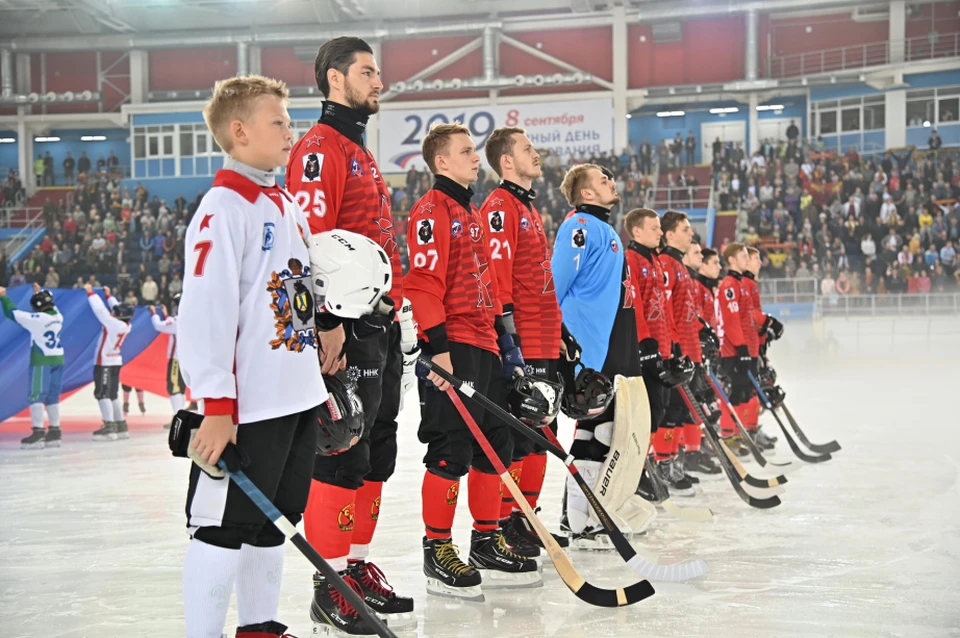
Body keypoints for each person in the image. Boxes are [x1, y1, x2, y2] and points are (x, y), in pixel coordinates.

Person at [177, 75, 327, 638]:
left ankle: (260, 628)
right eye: (279, 122)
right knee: (220, 526)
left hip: (295, 396)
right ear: (239, 132)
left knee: (274, 523)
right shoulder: (223, 207)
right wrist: (216, 404)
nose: (292, 131)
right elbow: (206, 310)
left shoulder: (284, 201)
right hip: (246, 408)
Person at [283, 36, 415, 632]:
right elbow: (312, 242)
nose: (378, 81)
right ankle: (329, 584)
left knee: (376, 450)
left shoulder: (357, 149)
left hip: (379, 320)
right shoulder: (318, 149)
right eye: (367, 72)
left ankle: (357, 568)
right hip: (344, 326)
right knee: (340, 447)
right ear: (335, 79)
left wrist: (400, 310)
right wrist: (327, 323)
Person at [406, 122, 539, 602]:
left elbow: (493, 285)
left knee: (495, 445)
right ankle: (437, 548)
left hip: (485, 342)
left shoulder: (473, 212)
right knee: (451, 447)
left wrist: (507, 343)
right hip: (454, 344)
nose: (473, 159)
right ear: (441, 162)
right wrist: (436, 348)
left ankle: (486, 539)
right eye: (465, 152)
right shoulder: (431, 210)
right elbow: (422, 283)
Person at [479, 126, 579, 554]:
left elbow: (538, 280)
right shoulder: (500, 206)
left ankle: (525, 519)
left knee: (542, 430)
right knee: (519, 435)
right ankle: (500, 525)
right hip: (522, 341)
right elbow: (499, 276)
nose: (536, 155)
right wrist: (509, 336)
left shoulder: (526, 206)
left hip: (542, 338)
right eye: (527, 149)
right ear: (506, 161)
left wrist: (557, 330)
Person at [552, 165, 642, 535]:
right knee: (599, 431)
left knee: (599, 432)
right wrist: (556, 338)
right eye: (602, 181)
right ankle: (581, 520)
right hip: (581, 350)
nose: (612, 182)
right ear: (586, 194)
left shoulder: (605, 231)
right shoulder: (579, 228)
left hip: (606, 348)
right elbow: (555, 284)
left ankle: (581, 517)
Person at [0, 283, 64, 449]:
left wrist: (3, 297)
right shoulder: (58, 316)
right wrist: (40, 292)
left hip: (41, 359)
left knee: (36, 395)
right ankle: (55, 431)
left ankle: (38, 432)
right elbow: (50, 301)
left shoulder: (37, 320)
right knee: (52, 396)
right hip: (58, 358)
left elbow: (12, 313)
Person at [716, 243, 756, 454]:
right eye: (742, 256)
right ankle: (728, 434)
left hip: (742, 347)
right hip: (732, 351)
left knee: (741, 392)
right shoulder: (729, 285)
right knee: (732, 393)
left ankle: (738, 434)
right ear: (731, 260)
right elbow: (731, 322)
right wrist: (741, 348)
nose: (746, 259)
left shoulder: (740, 284)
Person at [85, 284, 133, 441]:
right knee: (113, 394)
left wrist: (91, 293)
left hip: (104, 361)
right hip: (115, 361)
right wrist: (109, 296)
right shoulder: (126, 325)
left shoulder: (113, 323)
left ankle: (109, 426)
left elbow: (100, 311)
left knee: (102, 393)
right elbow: (117, 309)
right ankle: (120, 425)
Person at [744, 247, 780, 449]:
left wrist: (765, 332)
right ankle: (745, 430)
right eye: (755, 258)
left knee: (757, 388)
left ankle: (752, 428)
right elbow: (749, 316)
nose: (759, 262)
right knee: (747, 392)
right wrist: (769, 323)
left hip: (755, 344)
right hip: (745, 347)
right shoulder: (745, 284)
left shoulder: (751, 284)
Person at [149, 296, 185, 426]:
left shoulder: (178, 320)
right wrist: (166, 315)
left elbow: (159, 326)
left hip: (176, 359)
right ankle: (181, 416)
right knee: (180, 387)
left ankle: (178, 419)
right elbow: (172, 324)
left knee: (173, 387)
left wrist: (153, 313)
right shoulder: (190, 318)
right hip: (186, 359)